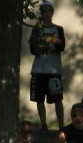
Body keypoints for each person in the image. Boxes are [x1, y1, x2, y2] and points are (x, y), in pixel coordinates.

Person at [29, 1, 65, 131]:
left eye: (48, 11)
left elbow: (61, 46)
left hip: (54, 70)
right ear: (41, 13)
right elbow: (33, 49)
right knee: (39, 99)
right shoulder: (36, 29)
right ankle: (43, 124)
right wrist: (49, 45)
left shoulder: (58, 29)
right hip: (39, 69)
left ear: (52, 13)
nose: (46, 14)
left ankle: (61, 125)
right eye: (44, 11)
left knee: (57, 99)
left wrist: (52, 45)